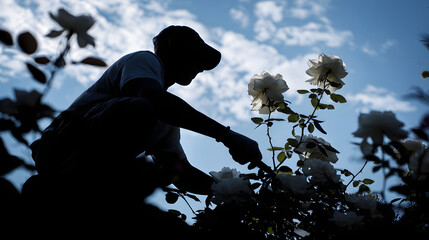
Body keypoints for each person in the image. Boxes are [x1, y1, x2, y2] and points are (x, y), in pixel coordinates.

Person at [24, 25, 263, 217]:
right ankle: (87, 183)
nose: (200, 68)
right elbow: (148, 98)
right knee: (141, 108)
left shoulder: (165, 118)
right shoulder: (145, 62)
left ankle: (97, 190)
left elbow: (179, 170)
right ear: (174, 48)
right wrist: (228, 136)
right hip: (60, 150)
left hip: (89, 173)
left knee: (160, 159)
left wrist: (228, 191)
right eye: (197, 57)